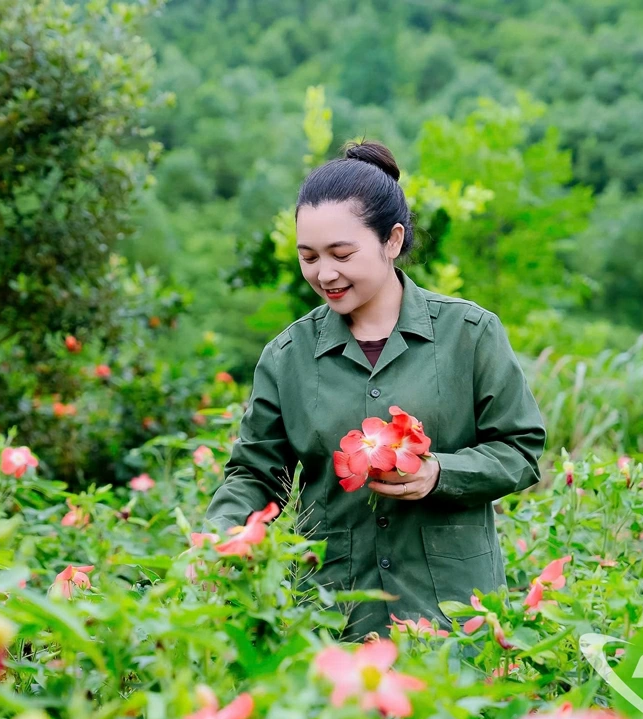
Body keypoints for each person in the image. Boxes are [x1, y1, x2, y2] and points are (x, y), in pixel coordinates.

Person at [202, 139, 547, 641]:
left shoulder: (469, 334)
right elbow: (256, 474)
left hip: (451, 613)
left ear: (392, 240)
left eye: (342, 254)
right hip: (332, 614)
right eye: (309, 257)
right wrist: (220, 537)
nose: (325, 274)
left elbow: (521, 449)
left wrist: (439, 474)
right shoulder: (287, 357)